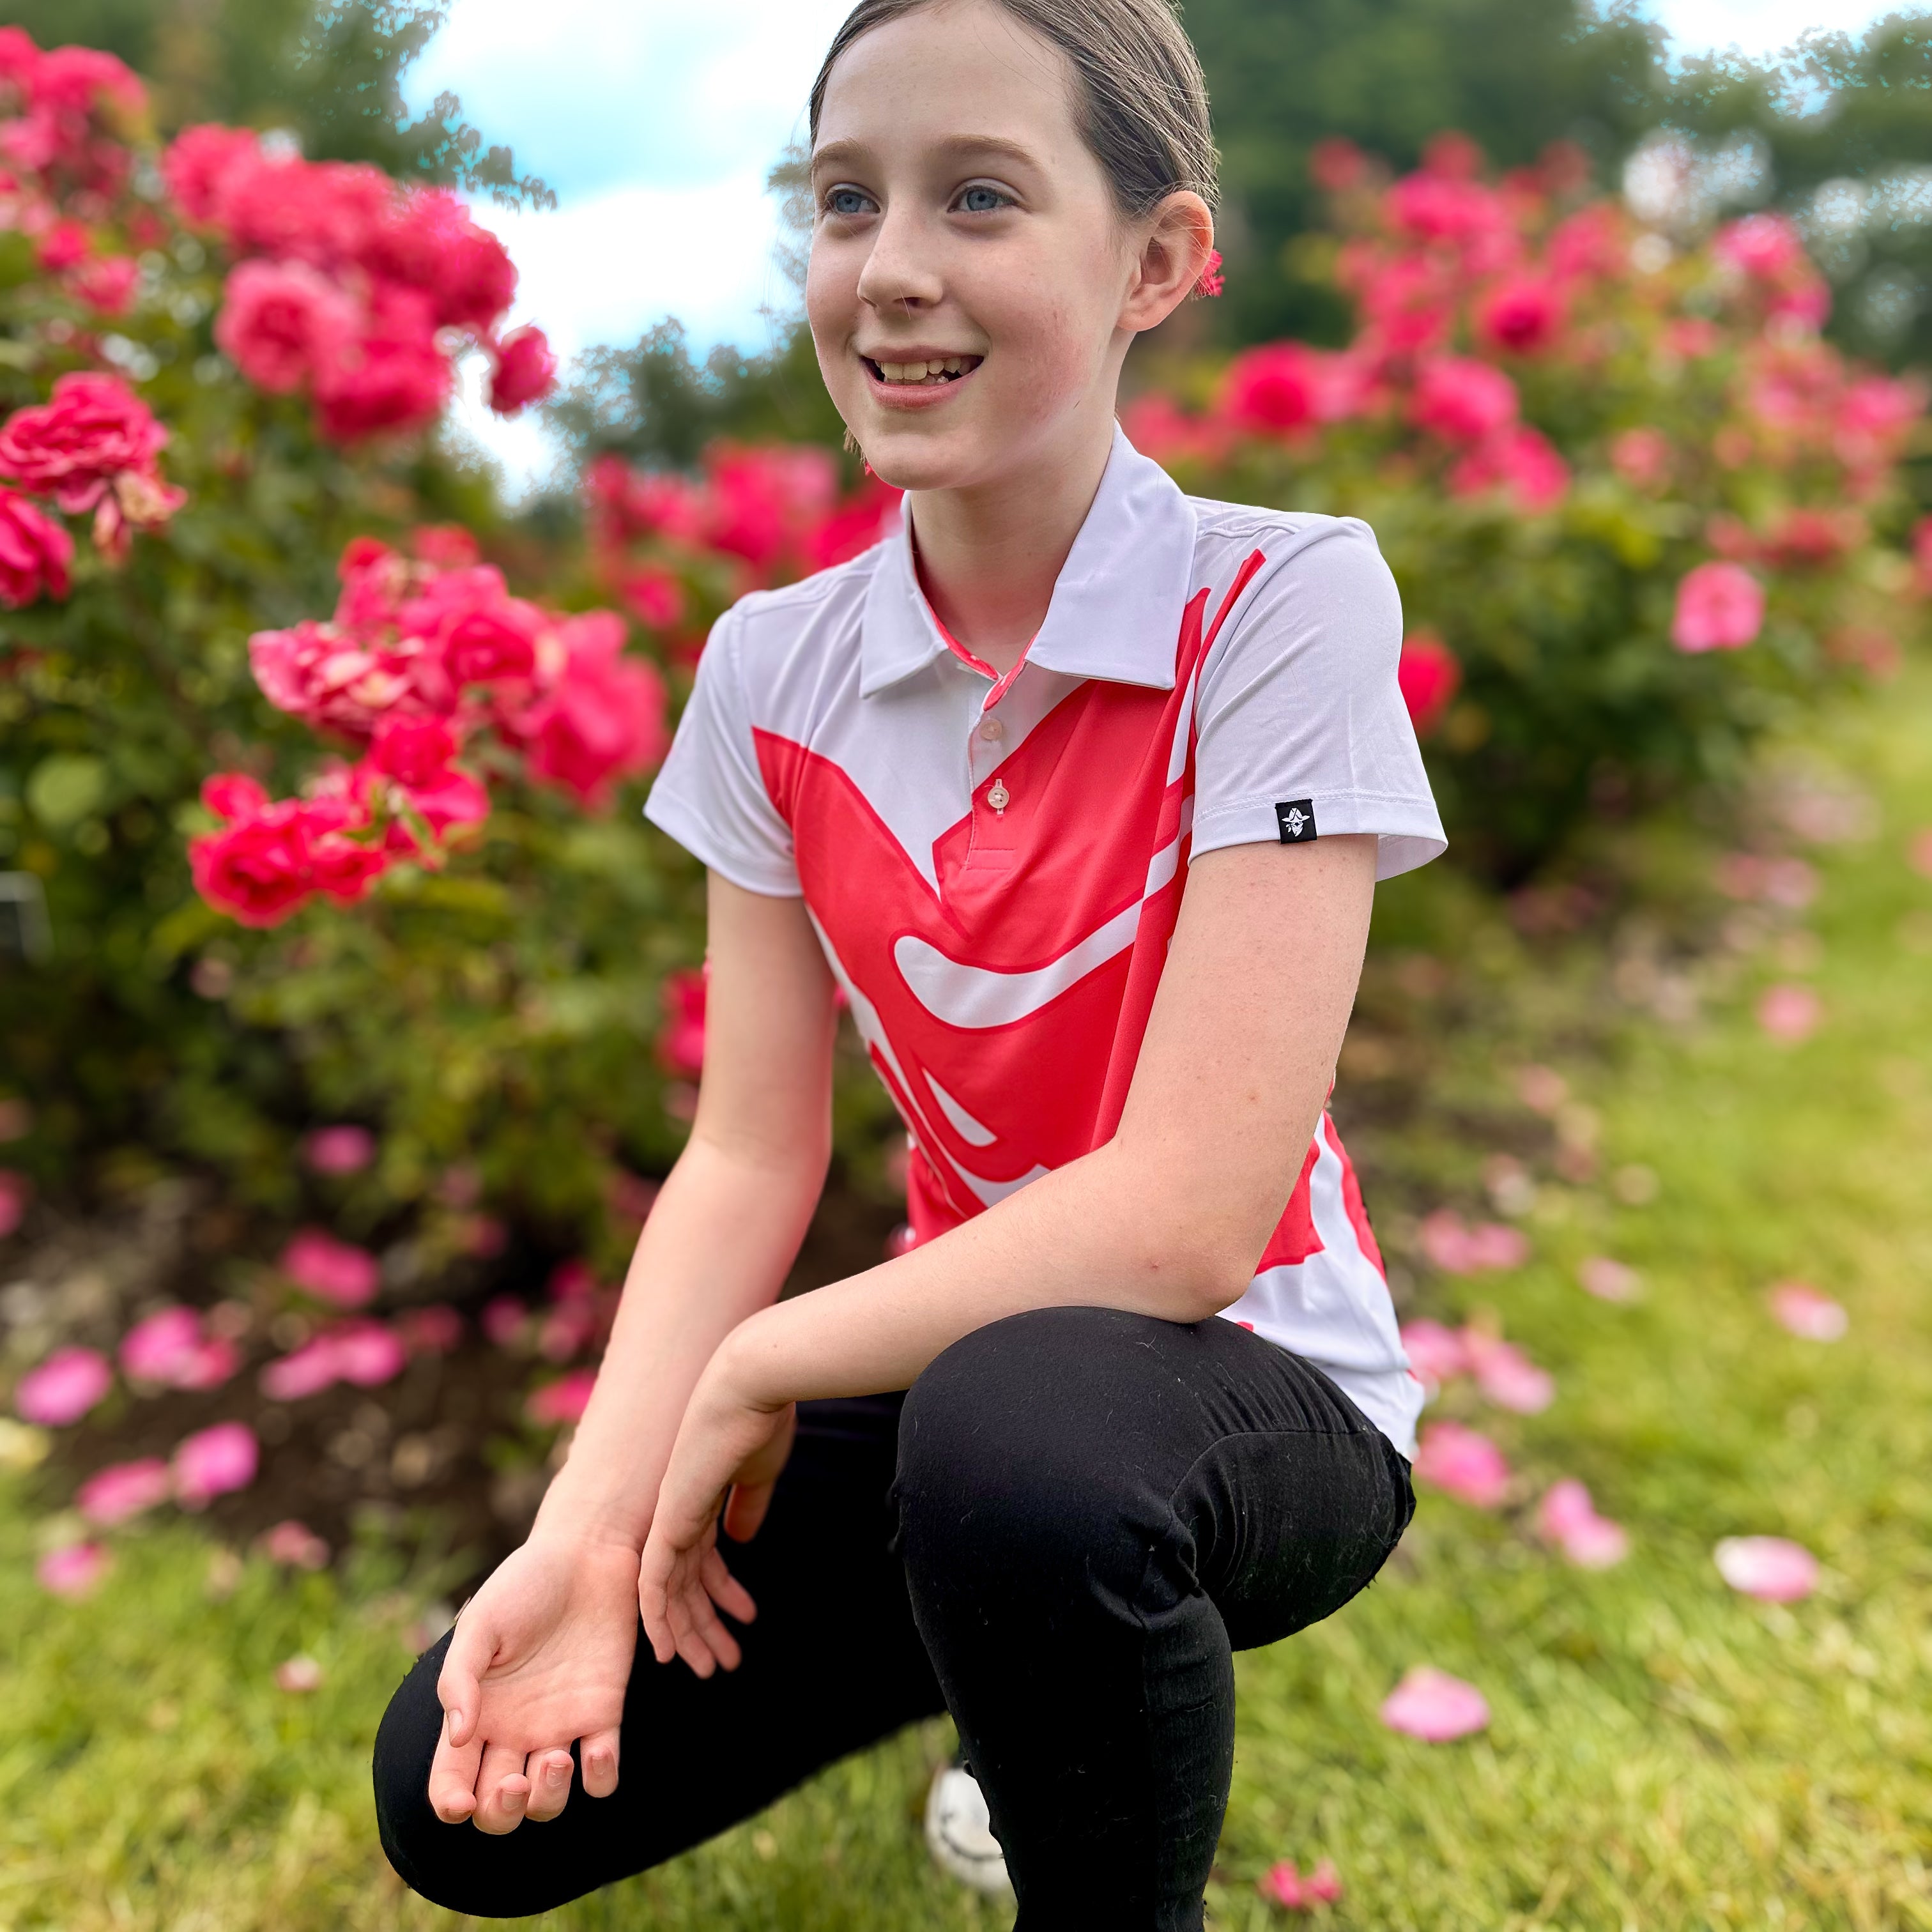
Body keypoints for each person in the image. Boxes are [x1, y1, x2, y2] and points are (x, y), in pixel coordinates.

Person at [373, 1, 1444, 1924]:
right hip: (968, 1390)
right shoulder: (771, 671)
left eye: (980, 197)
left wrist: (768, 1363)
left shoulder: (1280, 602)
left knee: (1025, 1441)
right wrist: (590, 1528)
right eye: (847, 200)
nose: (894, 271)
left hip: (1256, 1399)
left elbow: (1197, 1216)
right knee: (453, 1799)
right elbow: (748, 1155)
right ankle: (1004, 1663)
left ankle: (1068, 1768)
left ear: (1157, 265)